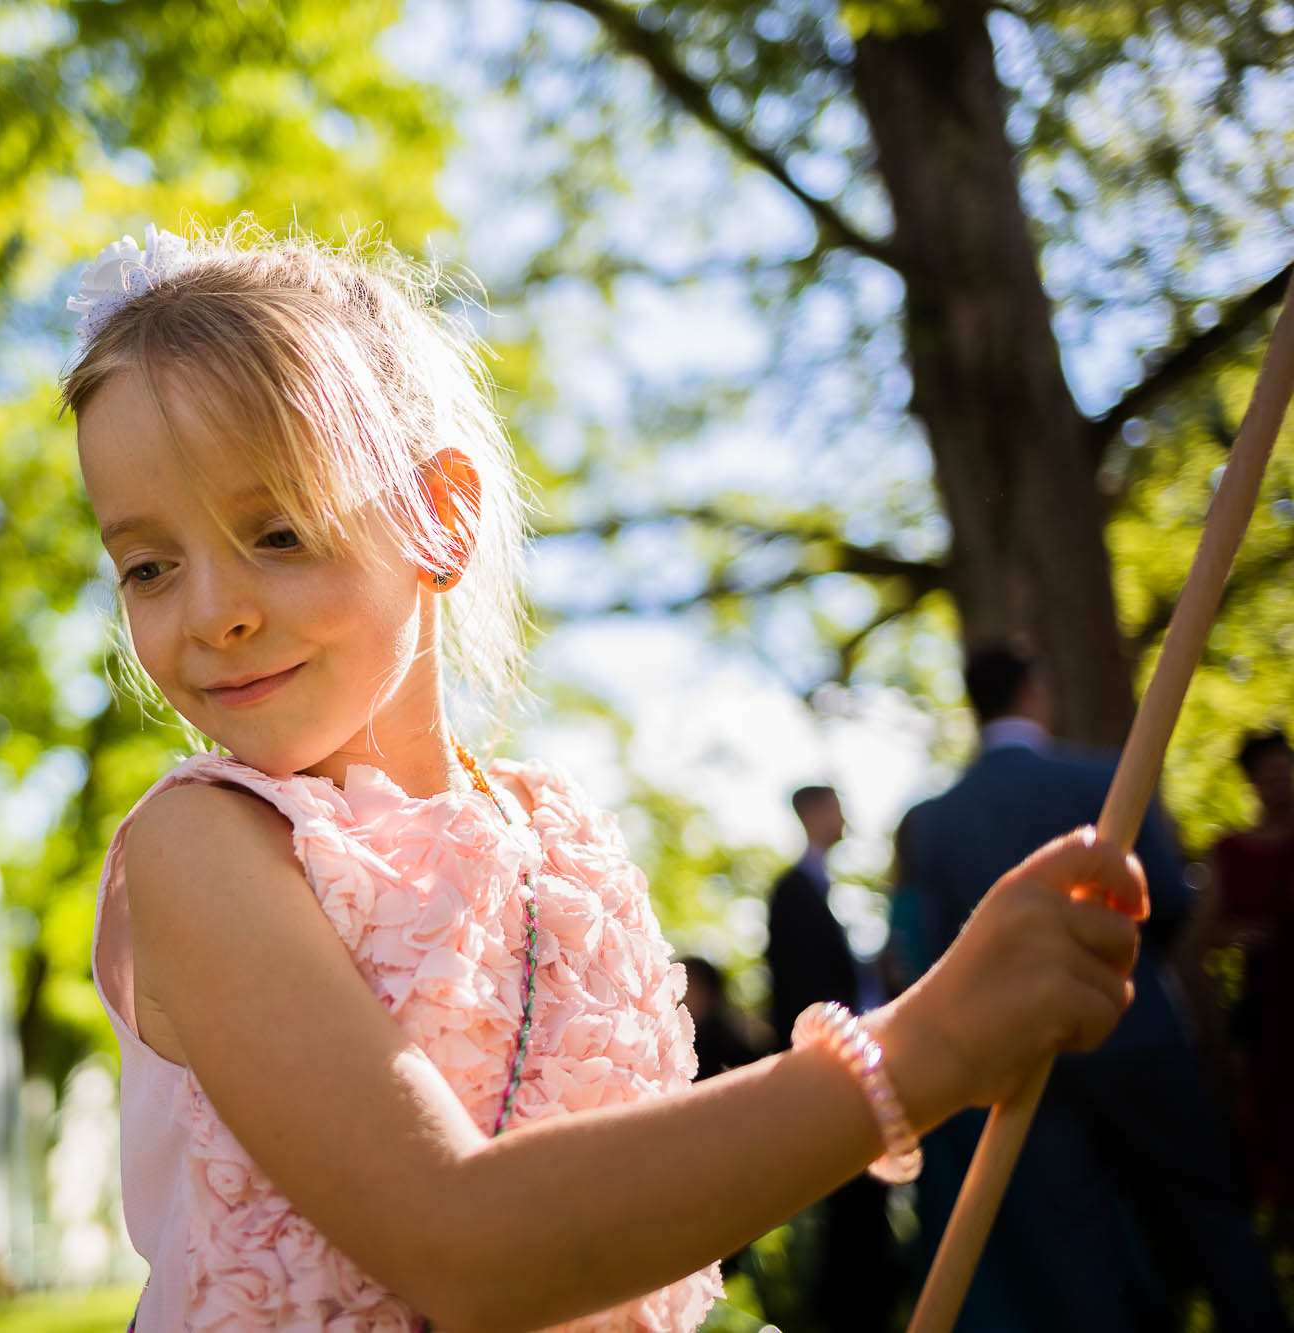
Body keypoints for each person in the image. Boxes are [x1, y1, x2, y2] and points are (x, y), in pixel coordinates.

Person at [67, 222, 1148, 1330]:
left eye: (278, 531)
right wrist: (924, 1049)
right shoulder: (199, 848)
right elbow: (463, 1245)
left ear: (438, 515)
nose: (209, 613)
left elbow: (629, 1238)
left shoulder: (561, 840)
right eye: (148, 565)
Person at [900, 649, 1288, 1333]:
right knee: (1216, 1226)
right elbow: (1165, 902)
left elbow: (933, 959)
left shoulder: (934, 820)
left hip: (1025, 1067)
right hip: (1137, 1033)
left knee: (1082, 1261)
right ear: (1032, 690)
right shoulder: (1104, 777)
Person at [765, 785, 900, 1333]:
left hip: (847, 1071)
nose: (844, 819)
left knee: (861, 1213)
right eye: (836, 807)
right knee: (850, 1213)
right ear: (812, 813)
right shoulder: (793, 892)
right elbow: (799, 992)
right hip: (830, 1075)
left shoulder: (825, 890)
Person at [1208, 729, 1294, 1232]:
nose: (1281, 783)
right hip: (1270, 1013)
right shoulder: (1232, 851)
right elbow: (1207, 932)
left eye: (1287, 771)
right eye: (1270, 774)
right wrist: (1239, 936)